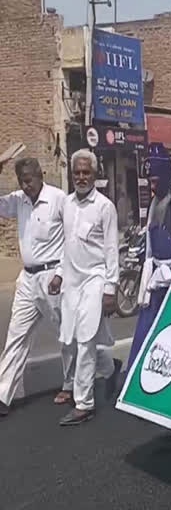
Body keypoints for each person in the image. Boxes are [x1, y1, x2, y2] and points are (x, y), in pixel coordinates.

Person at [48, 149, 119, 426]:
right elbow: (66, 246)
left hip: (95, 279)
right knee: (71, 338)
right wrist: (58, 275)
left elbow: (111, 249)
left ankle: (84, 403)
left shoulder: (104, 206)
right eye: (76, 172)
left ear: (95, 174)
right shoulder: (66, 204)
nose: (80, 177)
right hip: (72, 282)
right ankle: (110, 369)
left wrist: (110, 290)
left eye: (86, 172)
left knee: (87, 340)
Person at [0, 158, 67, 417]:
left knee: (68, 335)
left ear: (42, 175)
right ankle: (4, 395)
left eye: (29, 180)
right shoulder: (19, 200)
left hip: (53, 277)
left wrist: (61, 274)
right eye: (22, 181)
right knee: (16, 336)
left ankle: (88, 376)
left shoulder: (58, 199)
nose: (26, 186)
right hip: (27, 279)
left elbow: (71, 239)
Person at [127, 143, 171, 369]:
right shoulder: (154, 204)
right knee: (145, 331)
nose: (152, 186)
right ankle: (133, 380)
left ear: (165, 175)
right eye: (149, 181)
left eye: (155, 181)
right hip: (156, 278)